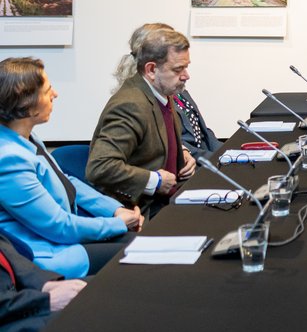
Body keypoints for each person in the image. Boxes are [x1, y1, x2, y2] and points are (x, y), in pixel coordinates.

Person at [0, 58, 142, 278]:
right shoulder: (8, 159)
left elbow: (66, 181)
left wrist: (114, 210)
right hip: (48, 255)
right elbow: (59, 227)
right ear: (27, 103)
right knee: (142, 255)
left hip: (63, 240)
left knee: (144, 244)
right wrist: (116, 224)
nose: (55, 94)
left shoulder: (25, 138)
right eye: (47, 91)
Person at [86, 27, 196, 214]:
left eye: (186, 67)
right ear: (151, 70)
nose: (186, 75)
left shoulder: (162, 91)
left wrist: (181, 153)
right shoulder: (131, 105)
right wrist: (155, 181)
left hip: (170, 199)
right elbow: (100, 167)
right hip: (144, 211)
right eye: (178, 69)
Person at [114, 23, 219, 159]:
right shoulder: (142, 100)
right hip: (188, 167)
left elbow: (203, 131)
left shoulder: (174, 88)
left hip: (204, 161)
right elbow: (172, 144)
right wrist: (216, 160)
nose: (185, 75)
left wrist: (227, 154)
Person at [0, 233, 86, 332]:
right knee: (85, 321)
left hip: (18, 300)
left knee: (98, 291)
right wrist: (46, 301)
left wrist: (44, 284)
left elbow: (6, 252)